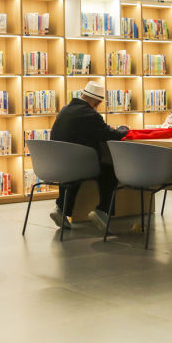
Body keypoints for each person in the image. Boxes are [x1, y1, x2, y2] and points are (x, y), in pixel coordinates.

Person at [49, 82, 128, 232]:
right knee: (110, 171)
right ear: (97, 103)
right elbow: (111, 134)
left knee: (74, 174)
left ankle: (61, 209)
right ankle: (102, 211)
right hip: (76, 164)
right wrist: (124, 128)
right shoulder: (90, 114)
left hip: (59, 164)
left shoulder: (65, 110)